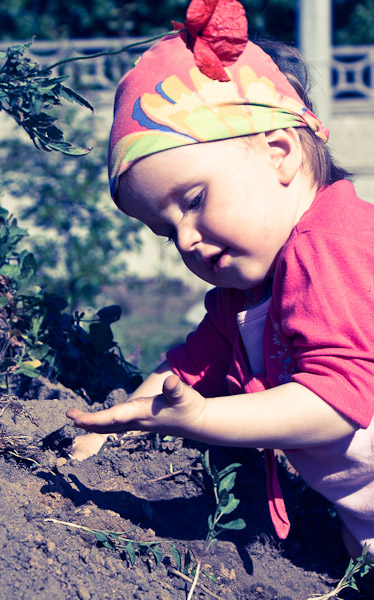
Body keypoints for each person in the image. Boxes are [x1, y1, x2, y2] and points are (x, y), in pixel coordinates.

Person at [67, 27, 374, 560]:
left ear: (279, 153)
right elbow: (185, 372)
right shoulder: (247, 292)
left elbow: (337, 400)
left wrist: (205, 420)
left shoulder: (331, 244)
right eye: (165, 231)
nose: (185, 239)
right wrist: (116, 429)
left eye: (193, 200)